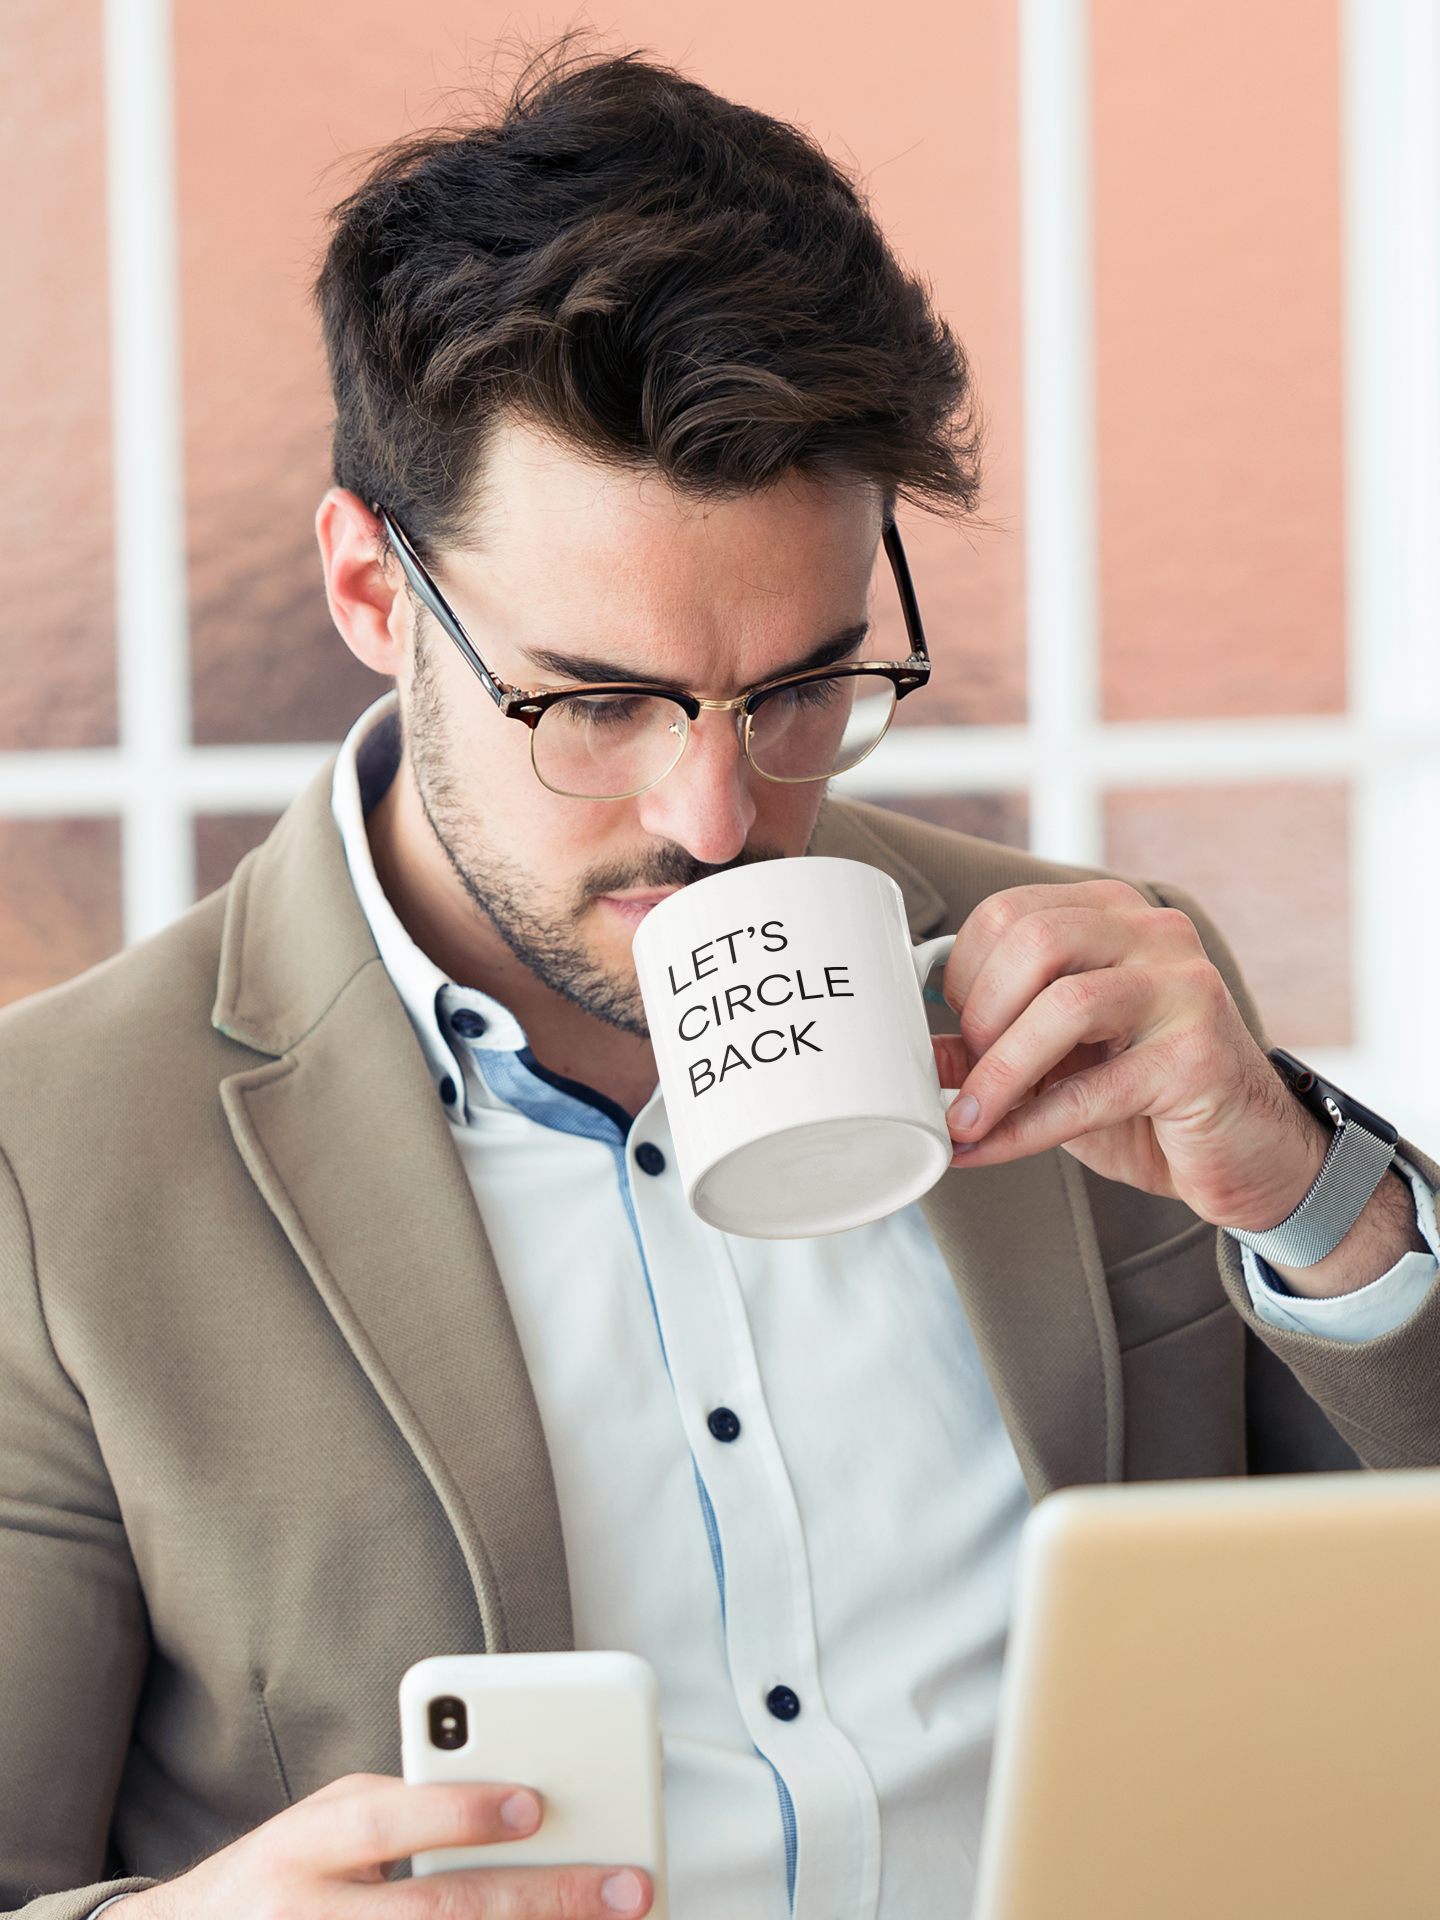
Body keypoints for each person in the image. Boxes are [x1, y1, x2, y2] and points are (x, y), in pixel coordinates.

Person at [3, 47, 1438, 1920]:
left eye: (800, 690)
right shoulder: (52, 1158)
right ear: (372, 594)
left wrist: (1318, 1207)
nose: (719, 814)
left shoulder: (1106, 985)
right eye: (596, 701)